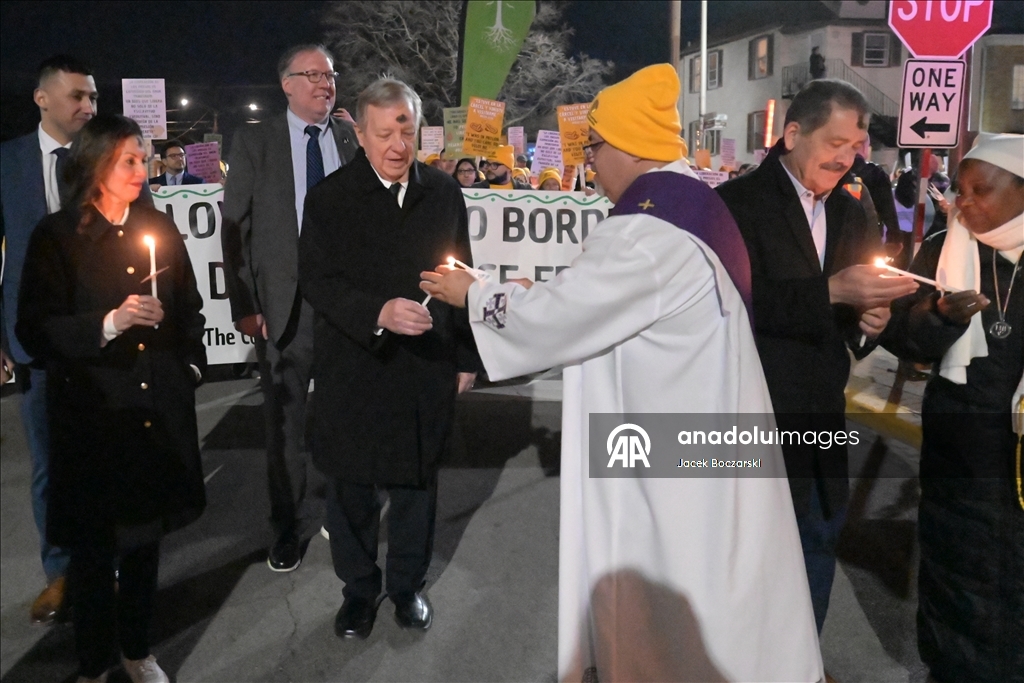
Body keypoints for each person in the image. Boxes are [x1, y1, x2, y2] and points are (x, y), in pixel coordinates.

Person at [421, 63, 822, 683]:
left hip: (666, 466)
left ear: (629, 145)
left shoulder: (647, 230)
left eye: (596, 146)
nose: (592, 160)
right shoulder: (695, 205)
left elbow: (561, 317)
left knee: (671, 613)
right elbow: (603, 303)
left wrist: (474, 295)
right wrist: (541, 292)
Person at [715, 79, 918, 637]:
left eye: (855, 145)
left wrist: (872, 320)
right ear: (792, 134)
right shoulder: (734, 206)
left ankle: (801, 662)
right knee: (744, 558)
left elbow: (860, 308)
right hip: (746, 415)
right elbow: (728, 304)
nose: (846, 157)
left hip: (820, 416)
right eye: (834, 141)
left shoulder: (852, 211)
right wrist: (831, 294)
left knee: (814, 544)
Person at [16, 113, 207, 683]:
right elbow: (35, 329)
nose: (142, 168)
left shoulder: (160, 226)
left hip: (153, 411)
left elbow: (190, 308)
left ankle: (137, 648)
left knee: (146, 545)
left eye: (144, 157)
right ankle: (95, 661)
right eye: (129, 158)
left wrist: (190, 367)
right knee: (95, 553)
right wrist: (108, 322)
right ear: (96, 164)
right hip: (94, 417)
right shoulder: (57, 236)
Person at [298, 77, 480, 641]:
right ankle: (357, 591)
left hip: (425, 365)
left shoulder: (444, 194)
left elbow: (463, 274)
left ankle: (406, 587)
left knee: (415, 485)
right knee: (350, 488)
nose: (398, 146)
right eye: (384, 134)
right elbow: (317, 281)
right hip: (354, 366)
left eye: (406, 131)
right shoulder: (330, 197)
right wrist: (378, 310)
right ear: (361, 133)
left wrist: (466, 355)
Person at [881, 134, 1023, 682]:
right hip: (961, 447)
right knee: (959, 574)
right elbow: (903, 336)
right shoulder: (945, 245)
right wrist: (939, 317)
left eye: (981, 191)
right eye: (959, 190)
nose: (964, 203)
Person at [221, 44, 359, 572]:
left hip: (345, 307)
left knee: (346, 419)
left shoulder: (350, 138)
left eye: (331, 75)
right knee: (284, 427)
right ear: (287, 84)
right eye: (314, 75)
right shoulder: (256, 141)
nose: (326, 83)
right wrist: (244, 304)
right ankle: (286, 526)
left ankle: (345, 513)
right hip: (283, 309)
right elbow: (235, 230)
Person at [0, 54, 97, 626]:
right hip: (34, 340)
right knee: (50, 466)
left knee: (108, 455)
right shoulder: (7, 162)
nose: (88, 107)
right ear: (42, 99)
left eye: (93, 98)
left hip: (106, 337)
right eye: (77, 96)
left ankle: (106, 560)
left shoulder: (108, 161)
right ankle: (60, 574)